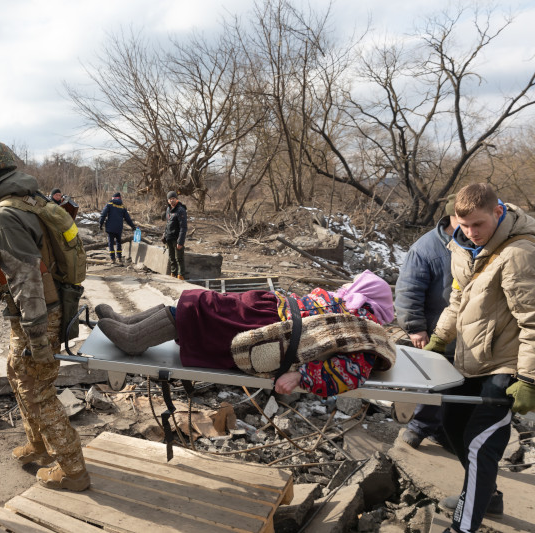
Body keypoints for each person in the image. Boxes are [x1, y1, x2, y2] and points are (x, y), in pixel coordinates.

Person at [0, 139, 90, 491]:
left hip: (37, 315)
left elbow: (26, 280)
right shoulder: (34, 201)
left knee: (38, 391)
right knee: (16, 374)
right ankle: (39, 446)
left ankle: (73, 470)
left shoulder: (5, 215)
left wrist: (37, 339)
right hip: (46, 311)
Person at [425, 184, 535, 533]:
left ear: (498, 212)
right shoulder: (462, 245)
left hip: (506, 365)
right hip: (469, 357)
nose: (471, 232)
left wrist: (529, 380)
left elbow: (532, 320)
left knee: (479, 441)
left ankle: (463, 527)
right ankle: (488, 497)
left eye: (479, 225)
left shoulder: (518, 253)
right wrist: (439, 339)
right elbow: (457, 300)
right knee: (452, 423)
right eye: (465, 224)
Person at [96, 270, 396, 398]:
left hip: (269, 332)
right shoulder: (346, 303)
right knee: (204, 302)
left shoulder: (364, 329)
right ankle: (129, 323)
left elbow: (352, 371)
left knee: (203, 312)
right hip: (268, 309)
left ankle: (133, 339)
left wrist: (302, 377)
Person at [395, 194, 457, 450]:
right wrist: (415, 328)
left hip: (468, 333)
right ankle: (419, 427)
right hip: (435, 329)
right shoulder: (426, 248)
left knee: (457, 387)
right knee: (435, 381)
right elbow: (408, 290)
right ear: (451, 217)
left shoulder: (480, 242)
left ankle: (444, 431)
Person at [99, 192, 136, 264]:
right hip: (119, 228)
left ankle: (113, 259)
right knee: (119, 242)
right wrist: (133, 226)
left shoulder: (109, 204)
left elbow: (103, 215)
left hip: (110, 227)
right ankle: (119, 258)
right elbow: (127, 218)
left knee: (111, 243)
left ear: (113, 198)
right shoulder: (122, 207)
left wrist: (100, 224)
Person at [164, 191, 187, 280]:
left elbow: (183, 227)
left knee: (179, 258)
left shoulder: (181, 210)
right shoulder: (168, 209)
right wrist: (165, 235)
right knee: (171, 258)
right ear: (168, 200)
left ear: (176, 199)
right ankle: (173, 274)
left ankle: (181, 276)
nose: (171, 200)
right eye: (170, 199)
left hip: (177, 239)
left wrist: (180, 241)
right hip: (169, 238)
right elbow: (168, 223)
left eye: (173, 198)